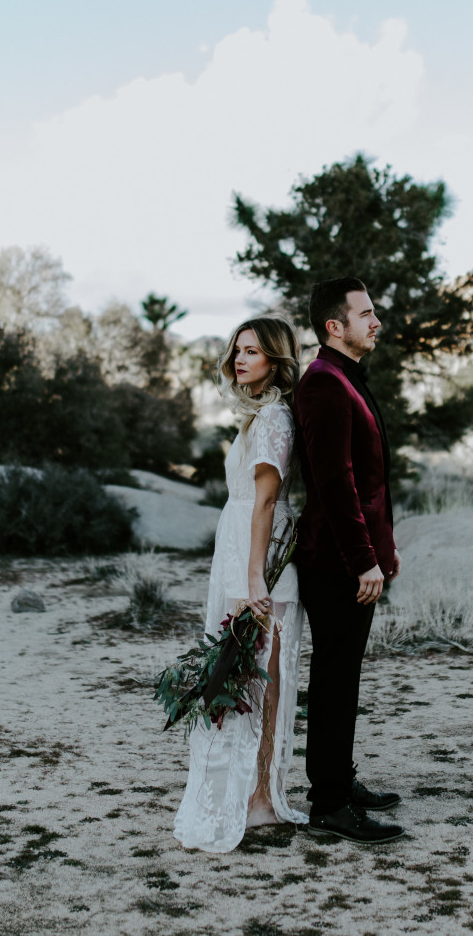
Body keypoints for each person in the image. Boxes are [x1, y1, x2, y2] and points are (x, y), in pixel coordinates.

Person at [173, 316, 306, 852]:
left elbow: (267, 501)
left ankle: (259, 801)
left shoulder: (275, 417)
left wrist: (254, 578)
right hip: (240, 554)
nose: (239, 359)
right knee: (244, 677)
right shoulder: (257, 417)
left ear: (276, 359)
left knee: (258, 680)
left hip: (259, 561)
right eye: (237, 351)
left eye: (252, 351)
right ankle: (250, 797)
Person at [292, 278, 405, 844]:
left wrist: (385, 549)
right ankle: (329, 805)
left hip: (355, 557)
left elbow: (367, 482)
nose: (375, 321)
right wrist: (365, 561)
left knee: (343, 678)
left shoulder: (345, 379)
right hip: (335, 563)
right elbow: (334, 485)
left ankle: (339, 782)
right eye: (365, 313)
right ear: (334, 326)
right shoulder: (323, 385)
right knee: (335, 680)